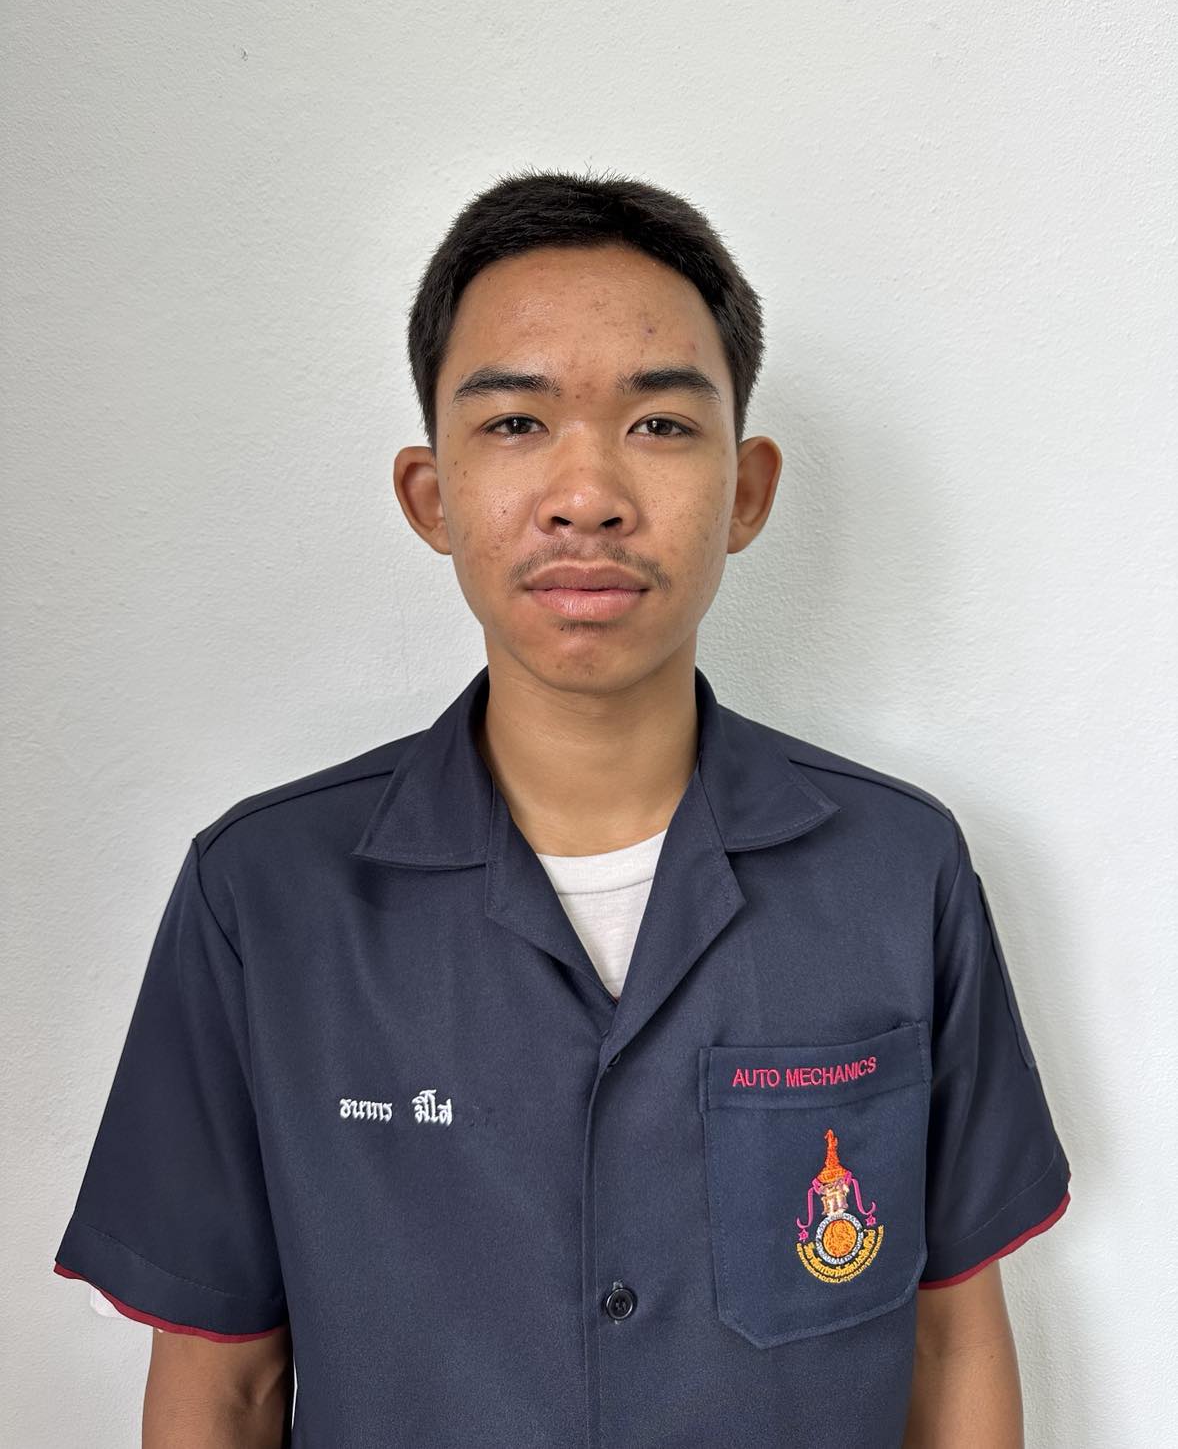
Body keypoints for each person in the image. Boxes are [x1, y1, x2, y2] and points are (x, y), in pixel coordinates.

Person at [53, 168, 1072, 1448]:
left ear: (746, 490)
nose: (585, 493)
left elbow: (949, 1337)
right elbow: (225, 1384)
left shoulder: (893, 871)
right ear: (430, 496)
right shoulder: (265, 898)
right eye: (516, 422)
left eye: (658, 423)